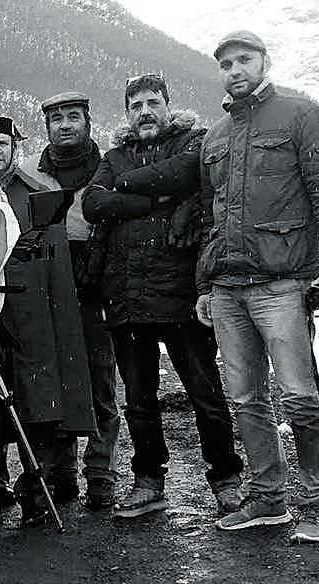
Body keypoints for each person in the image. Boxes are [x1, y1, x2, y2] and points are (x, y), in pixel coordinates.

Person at [197, 30, 319, 542]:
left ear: (265, 62)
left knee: (300, 397)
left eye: (245, 60)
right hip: (226, 288)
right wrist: (205, 283)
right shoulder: (215, 137)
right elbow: (209, 217)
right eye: (226, 63)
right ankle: (268, 498)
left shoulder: (299, 115)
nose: (235, 69)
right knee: (245, 399)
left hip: (281, 283)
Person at [83, 75, 244, 519]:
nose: (145, 112)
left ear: (169, 105)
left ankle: (226, 480)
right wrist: (158, 200)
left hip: (180, 296)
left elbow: (187, 172)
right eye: (136, 106)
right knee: (138, 401)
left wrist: (126, 187)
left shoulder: (193, 142)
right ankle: (148, 482)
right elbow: (93, 205)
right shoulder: (113, 155)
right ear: (127, 113)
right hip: (127, 297)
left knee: (205, 395)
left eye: (153, 103)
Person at [0, 116, 97, 525]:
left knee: (35, 402)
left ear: (14, 147)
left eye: (2, 143)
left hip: (33, 313)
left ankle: (36, 492)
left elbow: (53, 263)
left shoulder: (40, 193)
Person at [20, 92, 121, 510]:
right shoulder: (29, 175)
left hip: (97, 290)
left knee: (100, 384)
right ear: (47, 128)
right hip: (46, 293)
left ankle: (101, 474)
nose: (65, 125)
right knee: (54, 380)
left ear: (87, 122)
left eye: (73, 117)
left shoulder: (111, 168)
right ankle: (59, 474)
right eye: (56, 119)